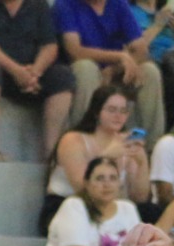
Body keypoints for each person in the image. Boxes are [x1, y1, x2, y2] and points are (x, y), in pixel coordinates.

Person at [0, 0, 75, 162]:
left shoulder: (38, 5)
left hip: (29, 75)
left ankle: (50, 155)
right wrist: (15, 70)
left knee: (62, 76)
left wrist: (35, 72)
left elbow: (50, 46)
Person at [57, 0, 165, 151]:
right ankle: (83, 143)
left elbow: (141, 49)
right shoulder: (66, 5)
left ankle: (146, 146)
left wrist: (114, 69)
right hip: (84, 70)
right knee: (86, 68)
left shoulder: (118, 4)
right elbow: (75, 51)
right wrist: (118, 56)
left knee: (149, 71)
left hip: (115, 71)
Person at [43, 87, 151, 234]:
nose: (118, 116)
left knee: (150, 212)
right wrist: (106, 156)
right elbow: (82, 188)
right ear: (96, 111)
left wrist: (142, 162)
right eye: (112, 110)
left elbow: (140, 197)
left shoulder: (126, 142)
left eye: (123, 111)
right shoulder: (73, 140)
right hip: (69, 204)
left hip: (110, 206)